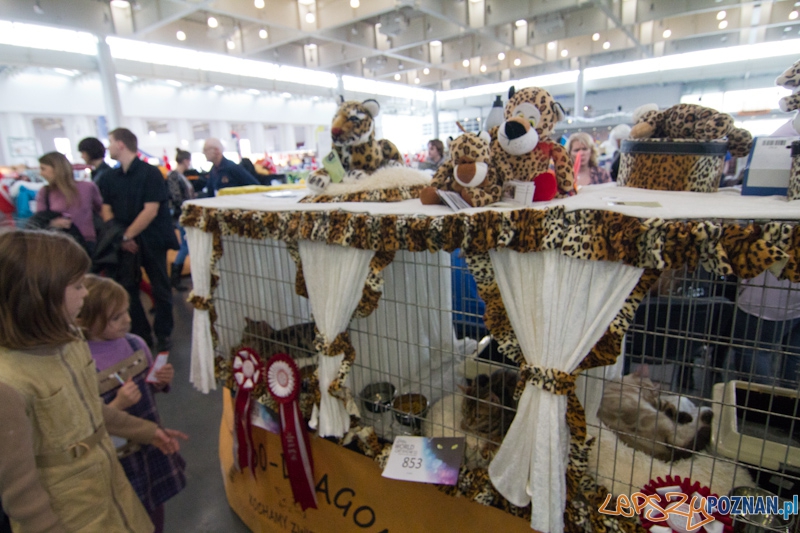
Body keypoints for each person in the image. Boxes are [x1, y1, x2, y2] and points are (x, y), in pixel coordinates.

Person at [0, 230, 187, 532]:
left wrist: (146, 430)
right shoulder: (9, 382)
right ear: (39, 295)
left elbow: (87, 409)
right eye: (76, 286)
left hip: (112, 494)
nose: (85, 293)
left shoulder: (71, 342)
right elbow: (20, 491)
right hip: (69, 514)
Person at [78, 275, 186, 533]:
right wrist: (118, 403)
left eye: (127, 311)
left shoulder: (135, 343)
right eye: (116, 317)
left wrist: (160, 382)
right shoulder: (81, 362)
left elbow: (149, 388)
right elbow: (87, 420)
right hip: (116, 457)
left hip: (148, 444)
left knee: (154, 506)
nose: (127, 319)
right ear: (88, 321)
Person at [99, 128, 179, 352]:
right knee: (127, 290)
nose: (108, 146)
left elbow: (151, 210)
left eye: (110, 141)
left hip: (151, 239)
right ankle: (141, 334)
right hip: (124, 242)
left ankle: (163, 333)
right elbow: (106, 209)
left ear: (121, 144)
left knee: (160, 289)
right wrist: (121, 237)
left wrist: (127, 235)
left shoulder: (150, 173)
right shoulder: (110, 177)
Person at [732, 270, 800, 387]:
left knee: (753, 351)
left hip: (767, 297)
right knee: (793, 354)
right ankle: (789, 395)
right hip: (793, 296)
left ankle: (761, 396)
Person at [34, 151, 103, 255]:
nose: (41, 173)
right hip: (58, 243)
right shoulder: (45, 192)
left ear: (56, 168)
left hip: (86, 242)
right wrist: (52, 223)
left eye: (43, 169)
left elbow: (101, 210)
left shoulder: (88, 187)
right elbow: (39, 220)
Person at [166, 148, 194, 291]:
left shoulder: (179, 176)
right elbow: (176, 197)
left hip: (185, 215)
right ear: (185, 160)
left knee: (186, 246)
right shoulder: (175, 176)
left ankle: (175, 279)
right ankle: (175, 278)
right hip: (182, 215)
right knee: (185, 246)